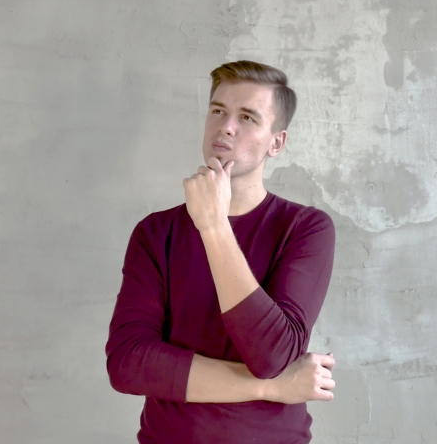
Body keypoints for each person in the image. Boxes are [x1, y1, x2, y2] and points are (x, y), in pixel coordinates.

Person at [106, 61, 337, 443]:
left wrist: (213, 225)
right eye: (218, 110)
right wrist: (270, 388)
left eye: (247, 117)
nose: (226, 126)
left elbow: (271, 355)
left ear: (276, 142)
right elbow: (129, 364)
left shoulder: (305, 229)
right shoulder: (156, 232)